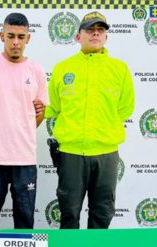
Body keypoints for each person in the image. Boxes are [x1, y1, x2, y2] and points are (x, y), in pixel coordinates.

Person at [45, 12, 135, 229]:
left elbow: (125, 109)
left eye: (101, 30)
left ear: (106, 37)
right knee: (69, 211)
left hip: (106, 154)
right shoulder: (62, 68)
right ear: (78, 36)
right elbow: (53, 107)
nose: (95, 33)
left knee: (102, 212)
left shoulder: (119, 69)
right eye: (89, 29)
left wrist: (102, 130)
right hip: (71, 153)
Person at [0, 13, 48, 230]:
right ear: (1, 36)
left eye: (21, 37)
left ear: (28, 39)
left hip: (24, 157)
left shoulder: (37, 70)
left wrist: (20, 128)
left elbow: (39, 114)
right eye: (11, 36)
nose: (15, 42)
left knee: (25, 216)